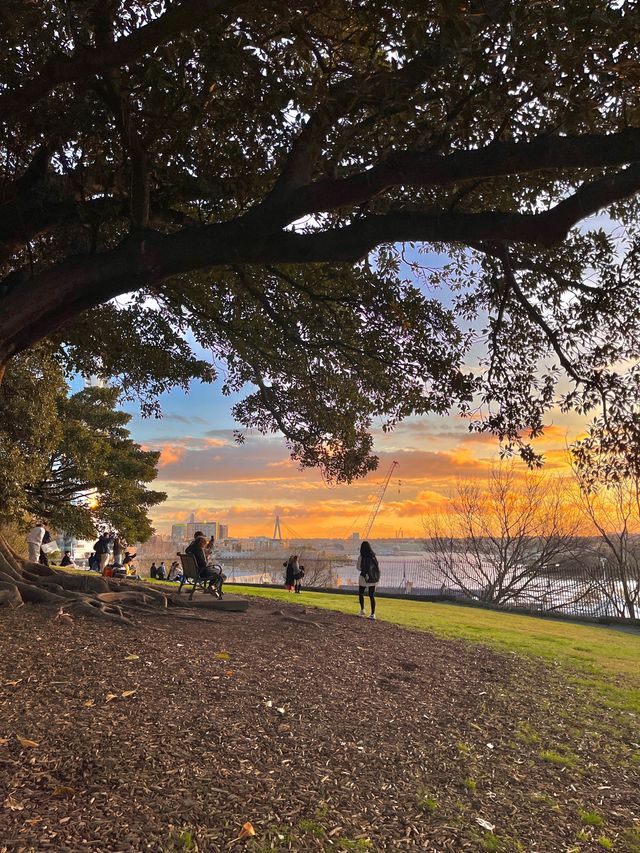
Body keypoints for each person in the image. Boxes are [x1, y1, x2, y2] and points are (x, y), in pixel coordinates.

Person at [186, 532, 224, 597]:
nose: (205, 545)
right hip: (201, 572)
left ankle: (211, 588)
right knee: (222, 575)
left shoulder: (191, 549)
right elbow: (204, 564)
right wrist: (206, 557)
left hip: (194, 571)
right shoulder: (199, 550)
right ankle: (212, 588)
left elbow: (189, 552)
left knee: (216, 573)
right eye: (204, 543)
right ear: (202, 543)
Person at [357, 540, 380, 620]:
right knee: (371, 596)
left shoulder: (361, 557)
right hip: (373, 579)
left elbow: (358, 568)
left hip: (364, 578)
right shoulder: (373, 556)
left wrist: (364, 570)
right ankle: (373, 614)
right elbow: (376, 566)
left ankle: (362, 610)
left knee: (361, 593)